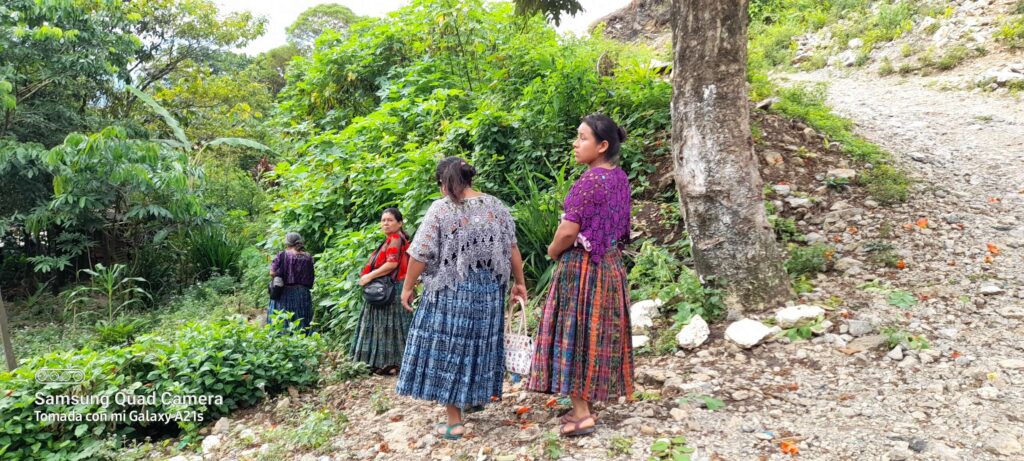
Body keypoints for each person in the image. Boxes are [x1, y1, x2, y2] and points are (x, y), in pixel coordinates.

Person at [396, 156, 528, 441]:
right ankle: (474, 398)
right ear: (469, 178)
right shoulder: (495, 205)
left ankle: (454, 423)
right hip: (491, 290)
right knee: (480, 344)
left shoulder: (441, 209)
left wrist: (408, 286)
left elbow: (420, 253)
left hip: (453, 290)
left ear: (444, 183)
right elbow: (512, 247)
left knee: (450, 350)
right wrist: (519, 282)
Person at [527, 113, 634, 437]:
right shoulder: (619, 178)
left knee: (573, 334)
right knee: (597, 335)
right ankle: (587, 400)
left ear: (602, 146)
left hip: (582, 269)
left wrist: (552, 250)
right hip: (611, 266)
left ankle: (582, 413)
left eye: (583, 138)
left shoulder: (588, 183)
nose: (576, 143)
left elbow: (567, 231)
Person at [350, 208, 413, 375]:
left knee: (389, 324)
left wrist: (369, 276)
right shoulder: (394, 239)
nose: (386, 223)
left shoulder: (395, 239)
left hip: (390, 288)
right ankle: (392, 362)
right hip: (393, 286)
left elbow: (392, 264)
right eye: (383, 220)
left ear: (399, 223)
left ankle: (385, 362)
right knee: (392, 325)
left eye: (390, 220)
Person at [269, 232, 315, 332]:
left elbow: (272, 272)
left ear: (287, 243)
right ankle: (303, 341)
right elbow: (311, 276)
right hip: (303, 294)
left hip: (284, 293)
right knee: (302, 320)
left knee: (283, 320)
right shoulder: (308, 257)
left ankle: (283, 340)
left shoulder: (282, 255)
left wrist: (280, 276)